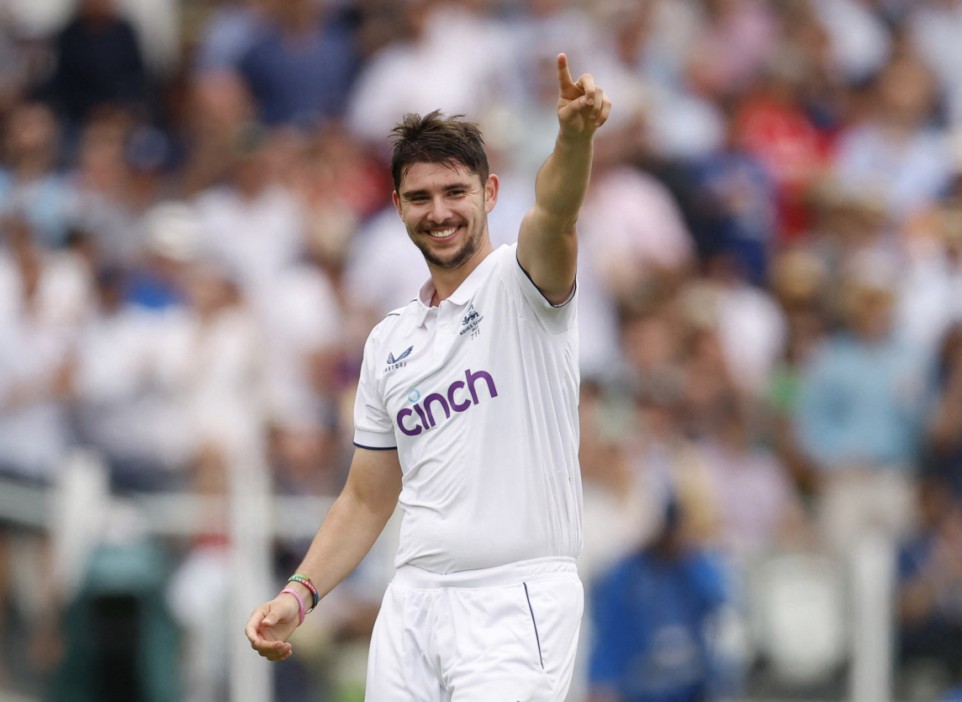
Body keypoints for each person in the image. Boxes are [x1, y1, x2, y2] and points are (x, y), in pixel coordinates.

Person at [245, 52, 611, 700]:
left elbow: (555, 214)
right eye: (420, 197)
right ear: (397, 206)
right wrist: (299, 595)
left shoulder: (521, 284)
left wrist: (574, 138)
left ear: (490, 192)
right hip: (411, 604)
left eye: (455, 192)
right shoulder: (390, 341)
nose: (438, 212)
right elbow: (365, 498)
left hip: (514, 599)